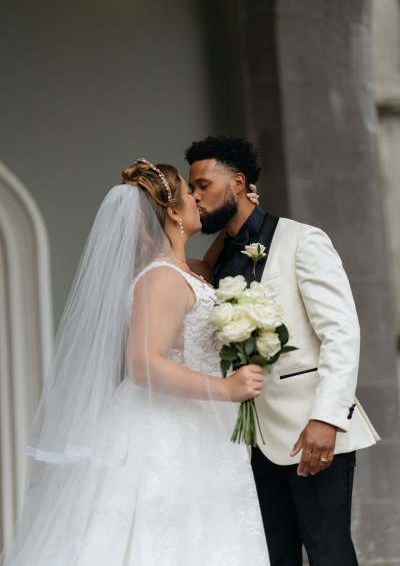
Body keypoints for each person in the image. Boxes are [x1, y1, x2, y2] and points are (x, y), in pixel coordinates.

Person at [0, 159, 269, 566]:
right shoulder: (161, 277)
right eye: (189, 192)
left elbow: (204, 270)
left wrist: (239, 214)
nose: (198, 198)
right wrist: (226, 390)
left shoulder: (184, 271)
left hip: (200, 428)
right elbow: (144, 364)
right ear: (174, 212)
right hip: (166, 431)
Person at [186, 135, 380, 566]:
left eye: (202, 185)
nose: (195, 196)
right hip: (247, 441)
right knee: (271, 556)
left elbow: (341, 334)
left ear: (237, 183)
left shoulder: (303, 240)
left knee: (328, 551)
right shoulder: (216, 259)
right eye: (191, 188)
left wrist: (326, 418)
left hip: (307, 431)